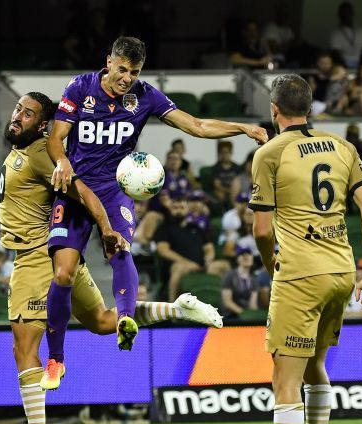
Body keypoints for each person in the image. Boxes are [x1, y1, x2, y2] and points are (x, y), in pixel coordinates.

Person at [0, 91, 224, 424]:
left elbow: (81, 190)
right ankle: (178, 308)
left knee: (24, 348)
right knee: (105, 321)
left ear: (42, 125)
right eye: (18, 109)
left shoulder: (41, 153)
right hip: (55, 256)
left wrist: (105, 227)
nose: (18, 116)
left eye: (28, 113)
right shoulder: (25, 146)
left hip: (37, 257)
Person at [46, 36, 266, 373]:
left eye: (133, 72)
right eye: (122, 70)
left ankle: (125, 319)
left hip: (113, 188)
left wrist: (242, 127)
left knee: (120, 250)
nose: (127, 78)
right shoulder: (81, 88)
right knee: (63, 272)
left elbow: (197, 125)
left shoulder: (145, 96)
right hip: (75, 187)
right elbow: (55, 137)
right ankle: (56, 359)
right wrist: (61, 162)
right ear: (109, 62)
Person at [248, 73, 362, 424]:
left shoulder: (269, 152)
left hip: (301, 275)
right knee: (315, 365)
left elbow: (263, 229)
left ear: (274, 109)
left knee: (284, 381)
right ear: (311, 108)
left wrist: (273, 268)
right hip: (343, 273)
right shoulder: (342, 147)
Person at [154, 194, 230, 301]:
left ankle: (226, 305)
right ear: (170, 210)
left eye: (182, 208)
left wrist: (209, 259)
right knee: (178, 268)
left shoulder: (196, 228)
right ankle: (172, 307)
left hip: (202, 265)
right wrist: (186, 263)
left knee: (224, 265)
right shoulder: (164, 228)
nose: (179, 211)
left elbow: (208, 247)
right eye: (175, 208)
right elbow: (163, 251)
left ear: (187, 210)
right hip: (179, 266)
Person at [220, 246, 259, 317]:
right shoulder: (229, 276)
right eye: (242, 254)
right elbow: (227, 302)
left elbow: (252, 304)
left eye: (249, 254)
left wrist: (254, 316)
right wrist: (244, 314)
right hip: (229, 317)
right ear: (237, 259)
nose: (246, 256)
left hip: (245, 316)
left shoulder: (254, 279)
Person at [329, 1, 362, 68]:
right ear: (339, 15)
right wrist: (345, 67)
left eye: (348, 12)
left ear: (352, 13)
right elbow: (335, 54)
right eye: (343, 13)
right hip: (344, 67)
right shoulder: (335, 35)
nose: (346, 15)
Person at [211, 141, 245, 209]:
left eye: (227, 152)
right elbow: (217, 184)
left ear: (231, 153)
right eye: (223, 152)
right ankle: (222, 211)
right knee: (220, 194)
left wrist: (234, 191)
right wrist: (229, 191)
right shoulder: (216, 168)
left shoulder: (237, 168)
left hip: (235, 190)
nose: (225, 155)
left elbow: (241, 181)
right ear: (220, 154)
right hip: (223, 191)